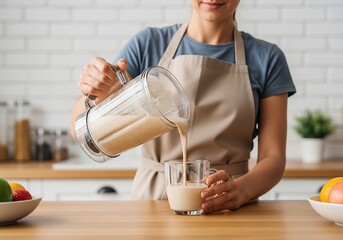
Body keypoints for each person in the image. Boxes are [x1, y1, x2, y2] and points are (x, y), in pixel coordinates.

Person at [70, 0, 296, 213]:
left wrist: (240, 191)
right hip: (151, 204)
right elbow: (81, 129)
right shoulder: (148, 44)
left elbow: (273, 158)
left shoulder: (268, 58)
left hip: (229, 205)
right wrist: (96, 95)